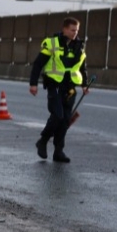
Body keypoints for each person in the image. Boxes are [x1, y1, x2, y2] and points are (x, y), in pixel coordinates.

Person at [29, 17, 88, 163]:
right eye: (72, 30)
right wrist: (33, 84)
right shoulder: (52, 43)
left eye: (77, 30)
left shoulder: (79, 46)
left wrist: (84, 84)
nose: (75, 33)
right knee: (57, 115)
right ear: (65, 29)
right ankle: (42, 141)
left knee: (66, 120)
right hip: (54, 85)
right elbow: (38, 64)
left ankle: (58, 151)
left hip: (70, 87)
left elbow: (82, 67)